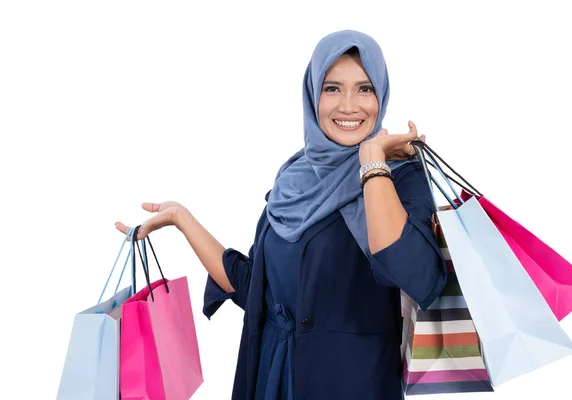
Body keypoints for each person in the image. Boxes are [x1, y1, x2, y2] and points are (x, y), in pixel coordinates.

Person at [116, 29, 447, 400]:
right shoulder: (294, 178)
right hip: (271, 376)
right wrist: (182, 219)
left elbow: (415, 275)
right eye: (332, 88)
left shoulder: (400, 178)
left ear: (381, 94)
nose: (349, 105)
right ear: (312, 94)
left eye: (365, 89)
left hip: (352, 382)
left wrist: (372, 160)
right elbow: (254, 289)